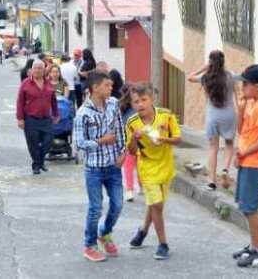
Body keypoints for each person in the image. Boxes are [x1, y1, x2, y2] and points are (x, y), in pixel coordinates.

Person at [74, 71, 126, 262]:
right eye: (107, 85)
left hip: (113, 166)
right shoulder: (82, 113)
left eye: (111, 85)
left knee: (118, 204)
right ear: (95, 88)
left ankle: (104, 232)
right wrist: (101, 141)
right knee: (96, 208)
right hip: (94, 168)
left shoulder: (113, 103)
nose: (111, 88)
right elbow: (79, 143)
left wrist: (123, 152)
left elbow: (120, 130)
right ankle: (89, 246)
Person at [126, 83, 181, 260]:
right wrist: (135, 138)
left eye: (144, 100)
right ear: (132, 104)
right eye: (136, 101)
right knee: (156, 205)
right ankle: (163, 244)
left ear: (152, 100)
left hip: (166, 166)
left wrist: (162, 139)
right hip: (147, 167)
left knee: (156, 205)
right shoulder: (132, 123)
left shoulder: (166, 116)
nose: (140, 104)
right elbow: (132, 151)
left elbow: (178, 139)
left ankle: (142, 231)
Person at [232, 64, 258, 268]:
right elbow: (242, 131)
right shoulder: (250, 103)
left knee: (250, 208)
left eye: (245, 83)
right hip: (245, 159)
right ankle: (253, 245)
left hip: (254, 163)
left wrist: (243, 153)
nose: (242, 86)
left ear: (257, 86)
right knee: (244, 205)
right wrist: (240, 110)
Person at [188, 50, 237, 191]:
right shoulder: (230, 76)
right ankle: (225, 170)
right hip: (229, 114)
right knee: (229, 144)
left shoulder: (205, 77)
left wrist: (204, 67)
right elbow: (237, 94)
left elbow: (190, 77)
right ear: (223, 62)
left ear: (210, 62)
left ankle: (211, 180)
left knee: (213, 147)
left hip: (212, 116)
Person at [16, 60, 60, 174]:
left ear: (44, 70)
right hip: (30, 119)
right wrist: (20, 118)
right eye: (35, 68)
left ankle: (40, 160)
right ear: (31, 69)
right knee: (33, 143)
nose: (37, 70)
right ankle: (37, 165)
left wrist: (56, 114)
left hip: (46, 118)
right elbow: (20, 101)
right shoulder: (25, 83)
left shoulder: (48, 83)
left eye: (40, 68)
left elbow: (53, 100)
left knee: (48, 141)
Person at [119, 84, 139, 202]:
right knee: (135, 164)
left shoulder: (121, 108)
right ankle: (135, 188)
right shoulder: (129, 110)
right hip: (135, 141)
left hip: (133, 141)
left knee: (131, 165)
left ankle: (131, 190)